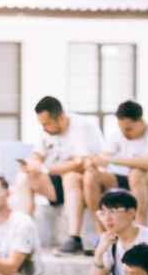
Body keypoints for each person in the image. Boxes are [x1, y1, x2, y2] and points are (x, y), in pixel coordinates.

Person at [13, 96, 104, 255]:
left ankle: (74, 238)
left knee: (70, 176)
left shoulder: (81, 127)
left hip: (85, 184)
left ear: (61, 118)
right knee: (23, 178)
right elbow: (38, 155)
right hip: (56, 183)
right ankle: (22, 234)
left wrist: (44, 169)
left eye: (47, 123)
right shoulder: (46, 131)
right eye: (42, 124)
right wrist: (31, 164)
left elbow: (80, 163)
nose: (44, 128)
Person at [84, 100, 148, 215]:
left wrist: (110, 160)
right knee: (91, 175)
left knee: (136, 173)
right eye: (121, 129)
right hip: (132, 182)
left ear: (141, 121)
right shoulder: (119, 135)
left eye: (129, 129)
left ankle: (139, 228)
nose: (124, 134)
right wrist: (92, 161)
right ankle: (100, 230)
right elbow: (103, 156)